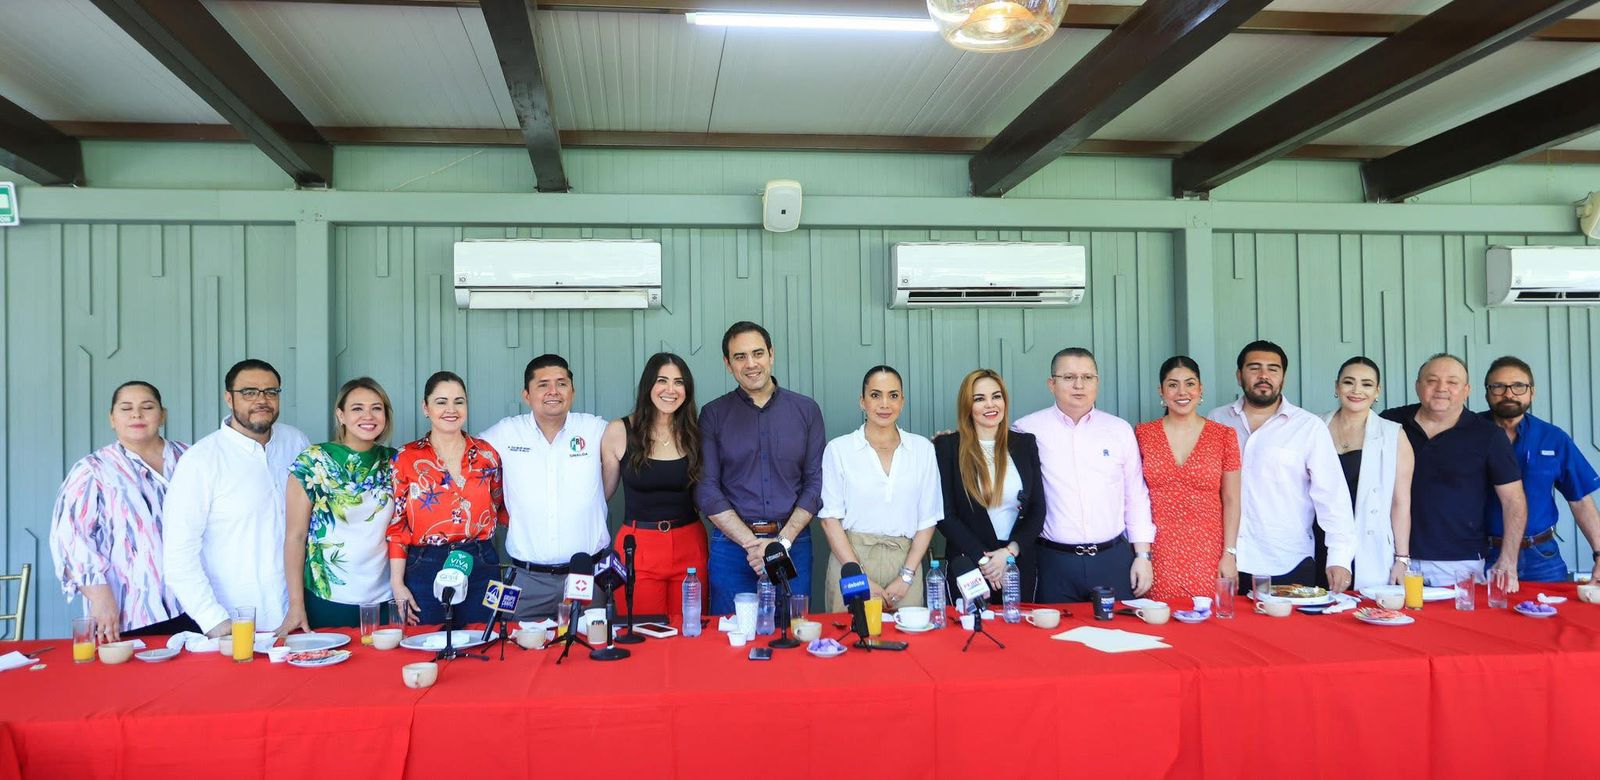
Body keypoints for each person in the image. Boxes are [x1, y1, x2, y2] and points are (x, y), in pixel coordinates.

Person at [163, 359, 309, 636]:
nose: (262, 400)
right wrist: (214, 621)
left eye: (271, 392)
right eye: (249, 392)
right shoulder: (200, 461)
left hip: (301, 616)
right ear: (229, 398)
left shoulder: (296, 443)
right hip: (235, 623)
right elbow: (178, 554)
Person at [49, 381, 197, 643]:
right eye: (126, 408)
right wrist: (100, 597)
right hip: (131, 611)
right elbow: (70, 539)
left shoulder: (193, 458)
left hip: (200, 604)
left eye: (147, 407)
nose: (136, 415)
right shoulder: (93, 470)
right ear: (112, 418)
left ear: (163, 415)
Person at [697, 321, 825, 615]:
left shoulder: (806, 411)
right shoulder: (713, 414)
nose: (751, 364)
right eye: (740, 356)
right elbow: (707, 489)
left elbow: (815, 484)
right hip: (732, 549)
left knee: (792, 630)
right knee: (731, 633)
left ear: (771, 354)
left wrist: (781, 542)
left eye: (758, 353)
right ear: (728, 364)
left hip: (793, 543)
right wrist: (752, 544)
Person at [1207, 341, 1356, 594]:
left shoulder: (1308, 427)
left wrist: (1340, 557)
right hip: (1224, 560)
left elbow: (1333, 497)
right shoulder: (1216, 421)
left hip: (1288, 561)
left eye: (1273, 369)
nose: (1264, 375)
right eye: (1254, 368)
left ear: (1283, 378)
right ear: (1239, 375)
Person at [1014, 347, 1155, 602]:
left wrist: (1143, 556)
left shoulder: (1118, 430)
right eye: (1069, 377)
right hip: (1052, 563)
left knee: (1120, 628)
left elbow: (1135, 495)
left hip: (1112, 559)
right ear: (1051, 384)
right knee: (1054, 629)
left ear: (1097, 382)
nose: (1079, 385)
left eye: (1087, 377)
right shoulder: (1026, 430)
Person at [483, 355, 617, 621]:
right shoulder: (505, 433)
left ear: (572, 392)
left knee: (592, 645)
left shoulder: (595, 429)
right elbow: (465, 459)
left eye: (561, 383)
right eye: (543, 385)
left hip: (586, 576)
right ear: (526, 395)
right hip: (525, 581)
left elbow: (640, 441)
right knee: (514, 644)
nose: (553, 391)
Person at [1381, 353, 1527, 590]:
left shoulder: (1488, 435)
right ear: (1418, 386)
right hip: (1389, 556)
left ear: (1467, 390)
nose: (1441, 388)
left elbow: (1513, 501)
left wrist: (1509, 559)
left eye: (1452, 382)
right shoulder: (1390, 423)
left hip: (1459, 563)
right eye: (1432, 381)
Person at [276, 377, 397, 635]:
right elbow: (295, 537)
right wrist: (296, 605)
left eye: (376, 408)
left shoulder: (395, 462)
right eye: (357, 408)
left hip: (385, 597)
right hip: (328, 597)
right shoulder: (313, 461)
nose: (368, 416)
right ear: (341, 415)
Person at [817, 366, 941, 612]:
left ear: (902, 401)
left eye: (893, 395)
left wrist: (906, 575)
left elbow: (928, 520)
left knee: (907, 633)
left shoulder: (922, 450)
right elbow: (830, 520)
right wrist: (858, 575)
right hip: (850, 560)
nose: (885, 404)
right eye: (875, 395)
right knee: (850, 632)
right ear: (862, 401)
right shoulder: (839, 450)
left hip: (906, 563)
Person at [388, 371, 505, 625]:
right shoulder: (405, 458)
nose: (451, 409)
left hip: (481, 562)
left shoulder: (487, 455)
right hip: (425, 564)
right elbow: (398, 526)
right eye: (441, 402)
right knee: (427, 641)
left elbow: (497, 506)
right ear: (426, 407)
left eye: (458, 401)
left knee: (483, 638)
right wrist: (397, 583)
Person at [599, 353, 707, 622]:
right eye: (662, 380)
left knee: (690, 629)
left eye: (678, 382)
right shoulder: (620, 430)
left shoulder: (696, 433)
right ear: (648, 385)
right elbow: (602, 494)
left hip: (690, 544)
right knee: (642, 631)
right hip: (638, 547)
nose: (671, 389)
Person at [1479, 356, 1600, 583]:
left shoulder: (1553, 438)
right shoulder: (1468, 434)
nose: (1509, 393)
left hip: (1542, 557)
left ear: (1532, 392)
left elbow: (1580, 500)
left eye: (1518, 386)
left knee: (1552, 608)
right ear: (1487, 392)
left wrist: (1599, 553)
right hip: (1481, 556)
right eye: (1498, 386)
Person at [1134, 356, 1241, 601]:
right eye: (1173, 384)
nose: (1182, 392)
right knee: (1158, 618)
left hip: (1209, 551)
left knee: (1208, 618)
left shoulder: (1224, 435)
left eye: (1190, 383)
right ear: (1161, 391)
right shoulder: (1143, 434)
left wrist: (1229, 553)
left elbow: (1232, 499)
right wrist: (1141, 555)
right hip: (1157, 551)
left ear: (1200, 389)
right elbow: (1133, 497)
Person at [934, 369, 1046, 599]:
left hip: (1017, 563)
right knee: (970, 622)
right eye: (979, 399)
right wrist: (985, 562)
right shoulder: (947, 447)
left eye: (996, 396)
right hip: (969, 564)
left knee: (1018, 622)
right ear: (967, 406)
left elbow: (1038, 509)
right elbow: (945, 515)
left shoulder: (1025, 444)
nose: (990, 404)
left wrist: (1009, 553)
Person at [1320, 357, 1413, 589]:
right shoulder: (1314, 426)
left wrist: (1402, 558)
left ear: (1377, 391)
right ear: (1336, 386)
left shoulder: (1393, 435)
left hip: (1368, 541)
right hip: (1319, 538)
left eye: (1367, 384)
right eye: (1348, 382)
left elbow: (1400, 502)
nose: (1357, 390)